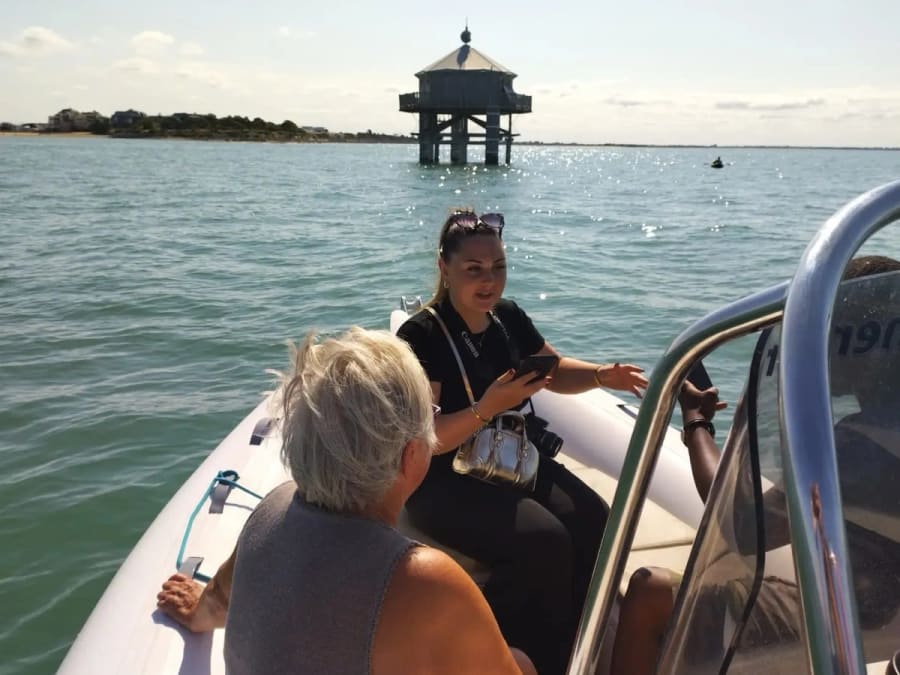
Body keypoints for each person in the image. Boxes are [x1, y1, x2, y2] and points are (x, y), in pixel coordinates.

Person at [157, 328, 537, 675]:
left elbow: (217, 601)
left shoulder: (271, 510)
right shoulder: (426, 580)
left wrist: (196, 613)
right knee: (522, 661)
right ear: (410, 455)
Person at [611, 255, 900, 674]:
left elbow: (742, 524)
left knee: (649, 592)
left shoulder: (860, 446)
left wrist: (705, 423)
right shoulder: (880, 429)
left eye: (834, 331)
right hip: (881, 614)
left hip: (853, 624)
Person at [395, 209, 649, 675]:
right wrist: (488, 406)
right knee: (545, 541)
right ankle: (510, 655)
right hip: (443, 478)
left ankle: (577, 637)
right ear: (443, 268)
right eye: (473, 269)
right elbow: (424, 439)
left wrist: (599, 375)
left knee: (596, 520)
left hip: (510, 458)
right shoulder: (422, 335)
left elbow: (551, 371)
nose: (489, 280)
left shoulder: (506, 318)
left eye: (499, 267)